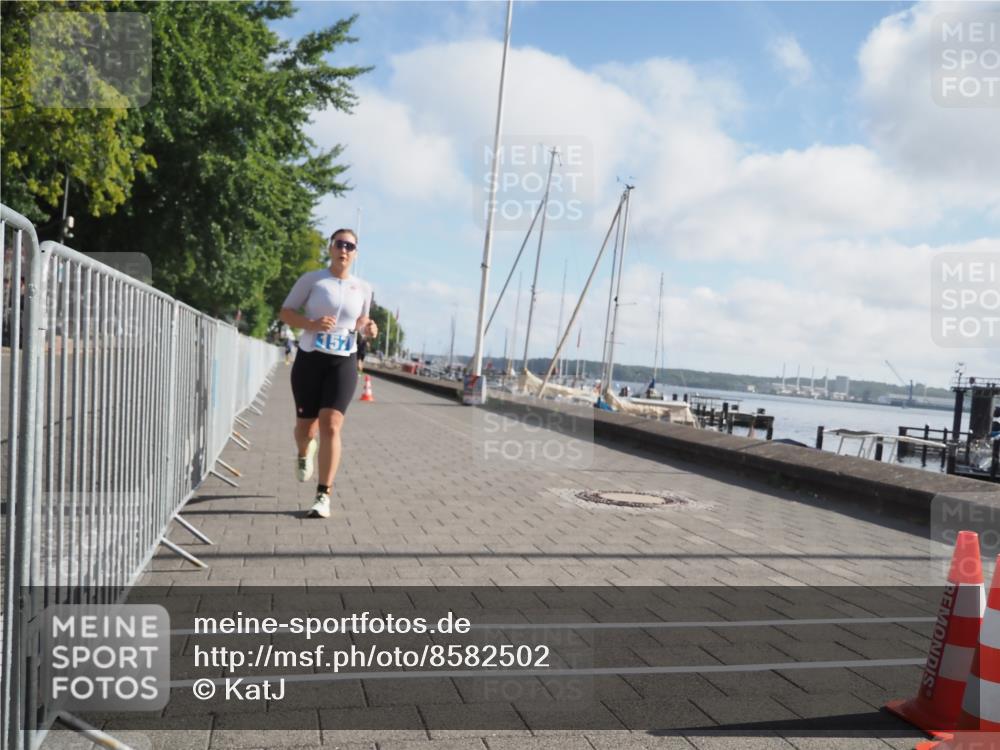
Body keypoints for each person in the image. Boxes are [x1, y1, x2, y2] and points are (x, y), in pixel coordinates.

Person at [279, 229, 378, 518]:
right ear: (331, 248)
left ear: (355, 253)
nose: (344, 250)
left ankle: (323, 495)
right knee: (305, 430)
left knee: (331, 424)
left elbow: (362, 321)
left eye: (350, 246)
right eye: (339, 244)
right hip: (310, 359)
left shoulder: (363, 287)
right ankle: (303, 452)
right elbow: (286, 312)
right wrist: (311, 324)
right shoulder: (312, 280)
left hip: (343, 361)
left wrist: (370, 328)